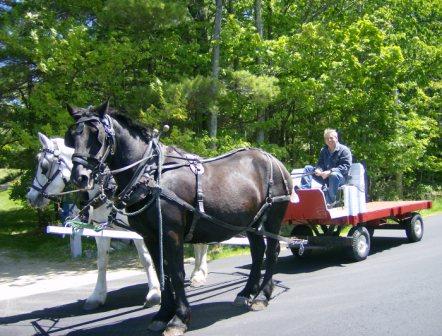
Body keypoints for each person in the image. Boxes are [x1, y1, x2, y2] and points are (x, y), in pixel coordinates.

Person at [300, 128, 352, 207]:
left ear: (336, 138)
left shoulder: (344, 150)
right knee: (308, 168)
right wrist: (318, 169)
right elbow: (320, 164)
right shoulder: (324, 150)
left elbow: (346, 167)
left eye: (331, 138)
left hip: (340, 178)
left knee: (333, 175)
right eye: (327, 139)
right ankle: (304, 193)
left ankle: (330, 201)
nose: (329, 140)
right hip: (325, 177)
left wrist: (330, 171)